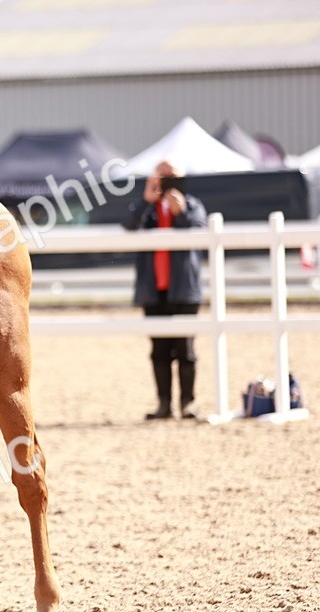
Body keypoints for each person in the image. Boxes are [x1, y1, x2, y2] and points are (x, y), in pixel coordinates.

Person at [122, 160, 207, 420]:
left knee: (186, 351)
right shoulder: (147, 209)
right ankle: (164, 404)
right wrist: (147, 200)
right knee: (159, 350)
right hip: (154, 289)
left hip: (183, 290)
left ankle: (187, 404)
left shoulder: (192, 206)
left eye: (172, 177)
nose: (168, 182)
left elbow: (201, 234)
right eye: (163, 177)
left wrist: (180, 212)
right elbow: (128, 224)